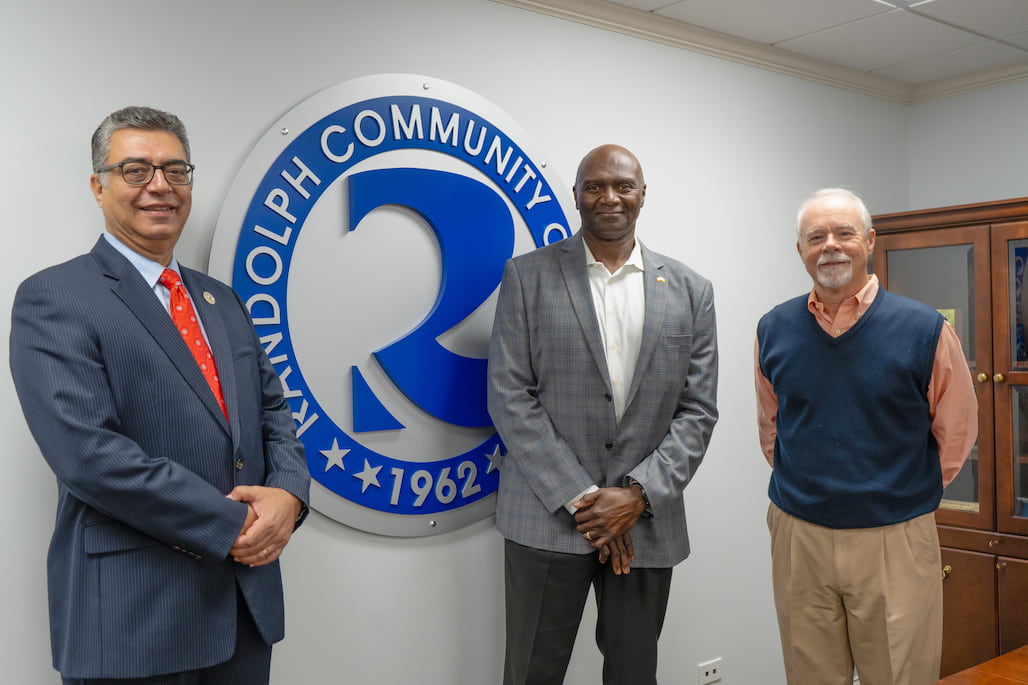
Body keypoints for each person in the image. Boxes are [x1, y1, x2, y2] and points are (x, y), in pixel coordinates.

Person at [9, 106, 311, 685]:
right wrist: (236, 524)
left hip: (244, 615)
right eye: (136, 170)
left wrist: (289, 499)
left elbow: (274, 411)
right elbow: (90, 456)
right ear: (98, 186)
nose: (160, 187)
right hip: (134, 619)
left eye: (176, 171)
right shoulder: (56, 297)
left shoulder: (221, 300)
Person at [487, 144, 719, 685]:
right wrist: (589, 503)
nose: (608, 197)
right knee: (531, 673)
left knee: (634, 673)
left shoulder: (691, 290)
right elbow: (510, 395)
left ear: (642, 196)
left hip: (646, 523)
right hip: (546, 518)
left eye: (622, 186)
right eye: (594, 186)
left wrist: (635, 497)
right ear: (575, 196)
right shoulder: (527, 277)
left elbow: (698, 410)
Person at [755, 187, 978, 685]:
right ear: (800, 250)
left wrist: (894, 491)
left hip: (893, 536)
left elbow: (956, 431)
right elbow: (772, 427)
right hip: (799, 535)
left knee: (900, 675)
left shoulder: (923, 328)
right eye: (816, 237)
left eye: (843, 233)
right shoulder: (774, 328)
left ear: (869, 241)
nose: (829, 245)